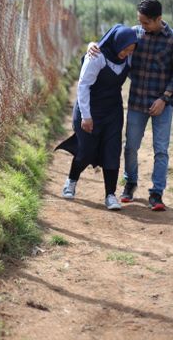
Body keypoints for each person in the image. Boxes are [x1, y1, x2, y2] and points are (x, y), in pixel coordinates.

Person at [88, 0, 173, 211]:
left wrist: (164, 99)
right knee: (131, 147)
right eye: (139, 21)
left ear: (158, 19)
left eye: (146, 23)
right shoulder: (134, 34)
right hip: (136, 102)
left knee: (161, 150)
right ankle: (130, 183)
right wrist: (92, 45)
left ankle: (156, 193)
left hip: (162, 105)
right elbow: (107, 44)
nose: (141, 26)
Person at [56, 24, 137, 211]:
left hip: (113, 111)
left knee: (112, 150)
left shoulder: (128, 57)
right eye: (125, 49)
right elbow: (83, 86)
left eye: (131, 50)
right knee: (86, 149)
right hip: (89, 109)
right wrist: (86, 116)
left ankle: (110, 195)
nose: (126, 53)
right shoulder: (97, 56)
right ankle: (71, 181)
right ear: (116, 43)